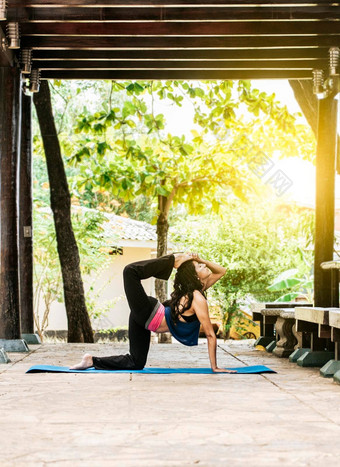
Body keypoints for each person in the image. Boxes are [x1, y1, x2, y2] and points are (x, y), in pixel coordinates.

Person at [70, 252, 236, 373]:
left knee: (136, 362)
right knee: (130, 271)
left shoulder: (196, 292)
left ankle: (91, 360)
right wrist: (214, 367)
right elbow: (210, 335)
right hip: (148, 312)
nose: (205, 265)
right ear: (194, 275)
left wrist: (199, 258)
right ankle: (173, 260)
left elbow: (221, 271)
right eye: (200, 266)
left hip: (144, 320)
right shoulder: (196, 297)